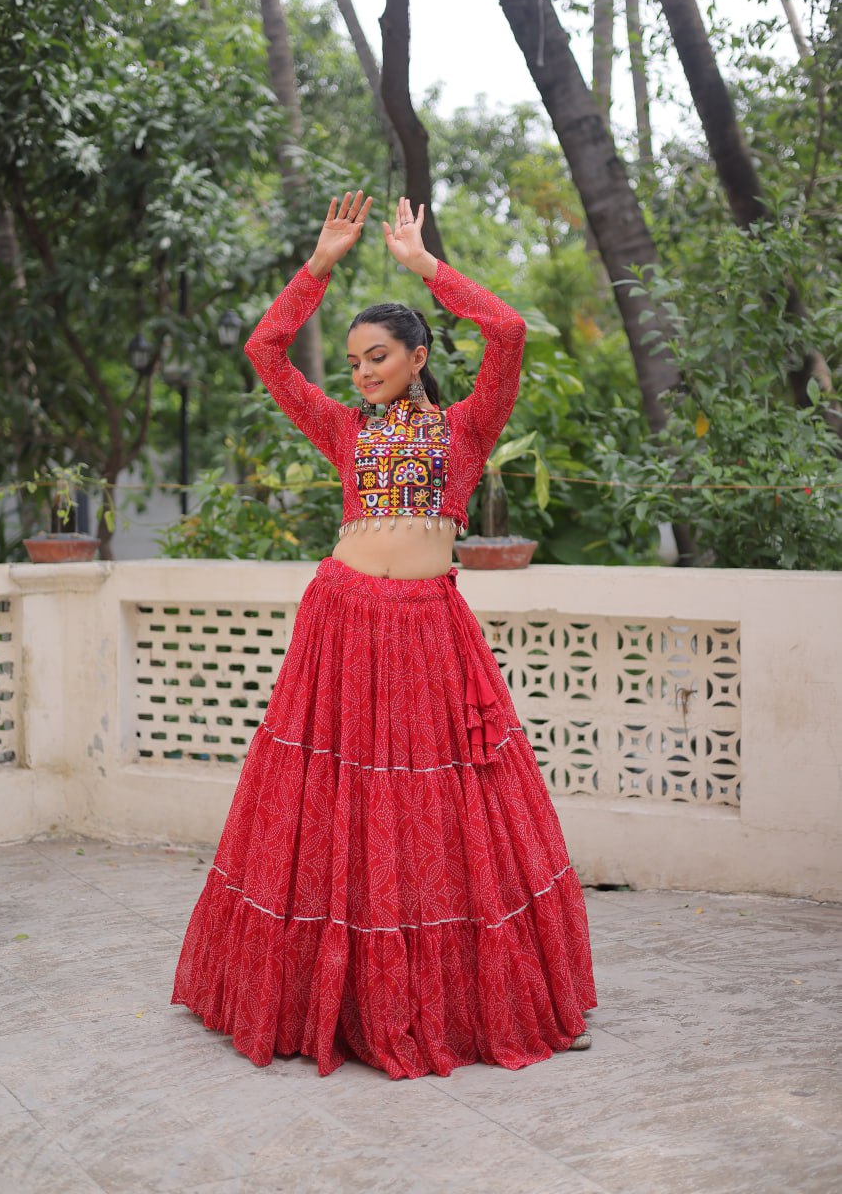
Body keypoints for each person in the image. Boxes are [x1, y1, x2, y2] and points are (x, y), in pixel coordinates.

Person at [171, 192, 597, 1079]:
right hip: (343, 621)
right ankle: (331, 998)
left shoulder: (464, 431)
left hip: (427, 630)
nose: (361, 372)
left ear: (417, 357)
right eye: (356, 359)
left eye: (378, 357)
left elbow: (510, 332)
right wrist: (319, 266)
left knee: (443, 808)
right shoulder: (343, 429)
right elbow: (265, 352)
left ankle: (451, 1001)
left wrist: (423, 267)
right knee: (335, 807)